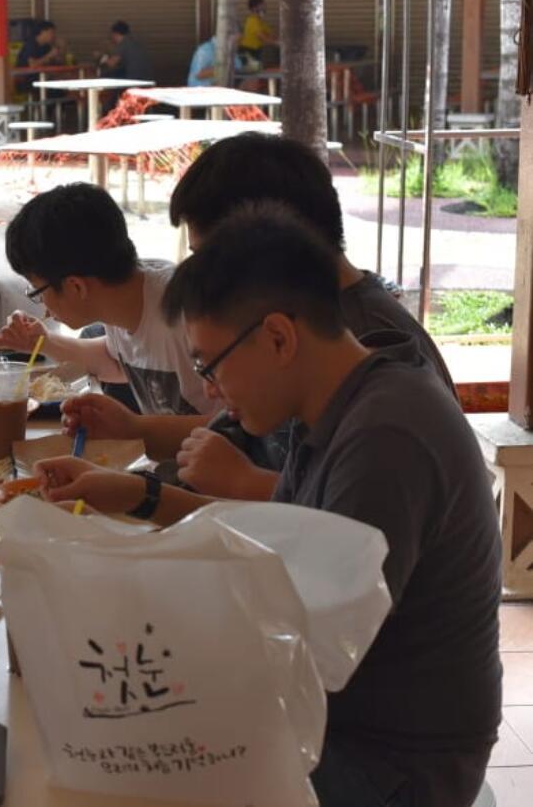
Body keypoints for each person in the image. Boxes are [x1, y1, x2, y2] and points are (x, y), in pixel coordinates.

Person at [36, 202, 501, 807]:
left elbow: (309, 640)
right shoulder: (340, 404)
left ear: (279, 336)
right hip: (343, 720)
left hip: (388, 762)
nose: (207, 390)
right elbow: (278, 533)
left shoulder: (386, 440)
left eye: (209, 365)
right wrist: (141, 496)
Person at [63, 132, 456, 499]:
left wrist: (244, 483)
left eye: (206, 255)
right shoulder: (299, 322)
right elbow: (231, 438)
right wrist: (133, 434)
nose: (199, 273)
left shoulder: (364, 351)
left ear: (268, 239)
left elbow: (351, 522)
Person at [0, 183, 219, 422]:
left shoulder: (186, 311)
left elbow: (239, 426)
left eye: (38, 292)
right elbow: (117, 363)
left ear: (76, 286)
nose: (44, 307)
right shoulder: (122, 297)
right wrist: (43, 342)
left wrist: (134, 428)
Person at [16, 20, 65, 91]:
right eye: (51, 32)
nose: (53, 35)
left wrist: (61, 49)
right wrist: (49, 55)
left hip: (43, 78)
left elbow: (59, 63)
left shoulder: (46, 46)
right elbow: (33, 65)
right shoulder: (31, 44)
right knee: (56, 91)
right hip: (27, 80)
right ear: (43, 32)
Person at [239, 0, 277, 64]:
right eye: (262, 6)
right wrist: (277, 43)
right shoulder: (252, 20)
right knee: (252, 71)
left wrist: (273, 40)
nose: (265, 7)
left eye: (265, 5)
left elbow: (271, 34)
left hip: (257, 50)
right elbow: (262, 37)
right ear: (254, 8)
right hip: (248, 51)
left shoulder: (260, 21)